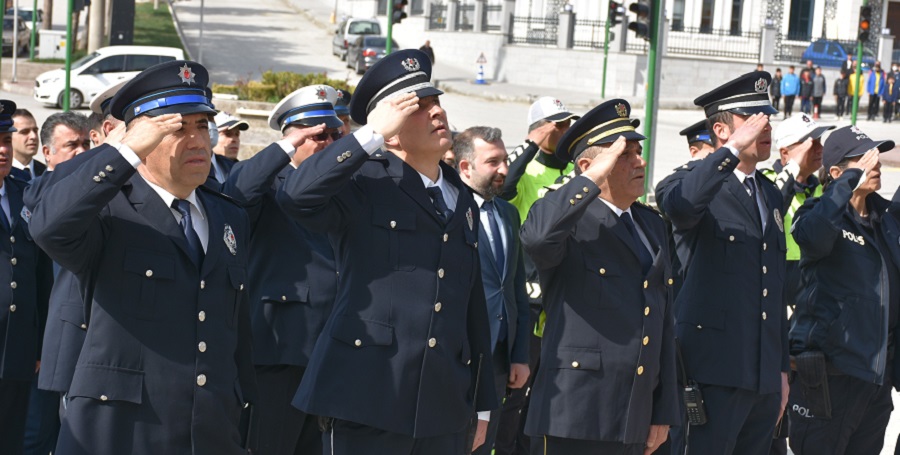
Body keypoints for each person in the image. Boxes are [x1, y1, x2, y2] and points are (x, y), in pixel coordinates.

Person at [28, 60, 258, 455]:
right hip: (120, 430)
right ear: (144, 140)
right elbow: (49, 227)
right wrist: (123, 150)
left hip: (210, 430)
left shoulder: (227, 214)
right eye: (177, 128)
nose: (197, 141)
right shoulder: (107, 210)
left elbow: (234, 332)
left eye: (202, 126)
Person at [276, 49, 496, 455]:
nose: (436, 113)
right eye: (417, 107)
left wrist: (482, 402)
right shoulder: (362, 180)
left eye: (436, 102)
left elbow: (471, 303)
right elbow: (296, 196)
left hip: (443, 404)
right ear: (390, 131)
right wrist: (367, 135)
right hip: (367, 396)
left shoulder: (460, 197)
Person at [521, 99, 678, 454]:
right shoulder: (569, 219)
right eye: (624, 154)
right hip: (575, 412)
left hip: (635, 413)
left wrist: (664, 408)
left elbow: (663, 320)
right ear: (588, 165)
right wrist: (589, 179)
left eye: (638, 151)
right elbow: (537, 237)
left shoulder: (649, 223)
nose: (640, 161)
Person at [657, 71, 789, 454]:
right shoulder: (689, 183)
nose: (765, 127)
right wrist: (728, 154)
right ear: (720, 129)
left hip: (762, 375)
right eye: (753, 120)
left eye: (768, 118)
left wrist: (780, 369)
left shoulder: (768, 193)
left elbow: (774, 285)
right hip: (712, 373)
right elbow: (680, 208)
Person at [221, 85, 343, 455]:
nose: (329, 143)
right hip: (280, 345)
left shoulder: (344, 185)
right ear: (293, 135)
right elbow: (235, 195)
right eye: (318, 136)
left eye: (335, 135)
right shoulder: (266, 181)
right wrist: (286, 148)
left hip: (335, 345)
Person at [787, 126, 897, 454]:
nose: (874, 164)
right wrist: (847, 182)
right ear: (835, 172)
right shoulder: (818, 214)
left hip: (876, 378)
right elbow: (812, 235)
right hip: (829, 378)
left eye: (875, 156)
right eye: (861, 160)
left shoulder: (887, 218)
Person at [493, 96, 578, 455]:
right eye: (556, 126)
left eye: (567, 124)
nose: (564, 132)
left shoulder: (577, 170)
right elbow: (503, 185)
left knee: (550, 396)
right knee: (515, 396)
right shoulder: (524, 172)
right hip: (529, 302)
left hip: (566, 301)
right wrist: (531, 143)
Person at [453, 126, 531, 455]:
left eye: (505, 160)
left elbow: (515, 288)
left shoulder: (508, 214)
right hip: (458, 354)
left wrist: (520, 355)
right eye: (493, 162)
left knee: (484, 444)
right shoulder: (449, 211)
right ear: (465, 167)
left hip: (499, 357)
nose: (504, 170)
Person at [0, 99, 53, 455]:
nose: (3, 149)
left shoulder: (24, 194)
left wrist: (37, 345)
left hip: (16, 346)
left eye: (6, 138)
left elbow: (39, 276)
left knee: (12, 437)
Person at [210, 111, 248, 183]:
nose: (234, 139)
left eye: (237, 134)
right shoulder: (202, 168)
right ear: (212, 135)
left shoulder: (242, 170)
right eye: (227, 134)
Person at [10, 110, 44, 181]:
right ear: (9, 137)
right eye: (24, 132)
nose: (33, 136)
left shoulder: (45, 172)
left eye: (35, 131)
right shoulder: (3, 173)